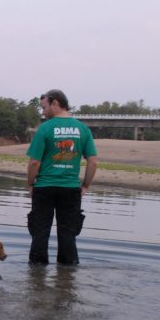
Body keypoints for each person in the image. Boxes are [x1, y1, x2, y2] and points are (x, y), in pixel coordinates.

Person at [26, 89, 98, 265]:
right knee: (68, 234)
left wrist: (30, 184)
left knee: (40, 232)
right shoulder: (83, 129)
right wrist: (85, 186)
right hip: (71, 189)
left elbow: (34, 162)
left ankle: (36, 276)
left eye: (44, 108)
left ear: (55, 103)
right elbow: (93, 161)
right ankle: (67, 279)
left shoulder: (45, 129)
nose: (43, 113)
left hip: (44, 187)